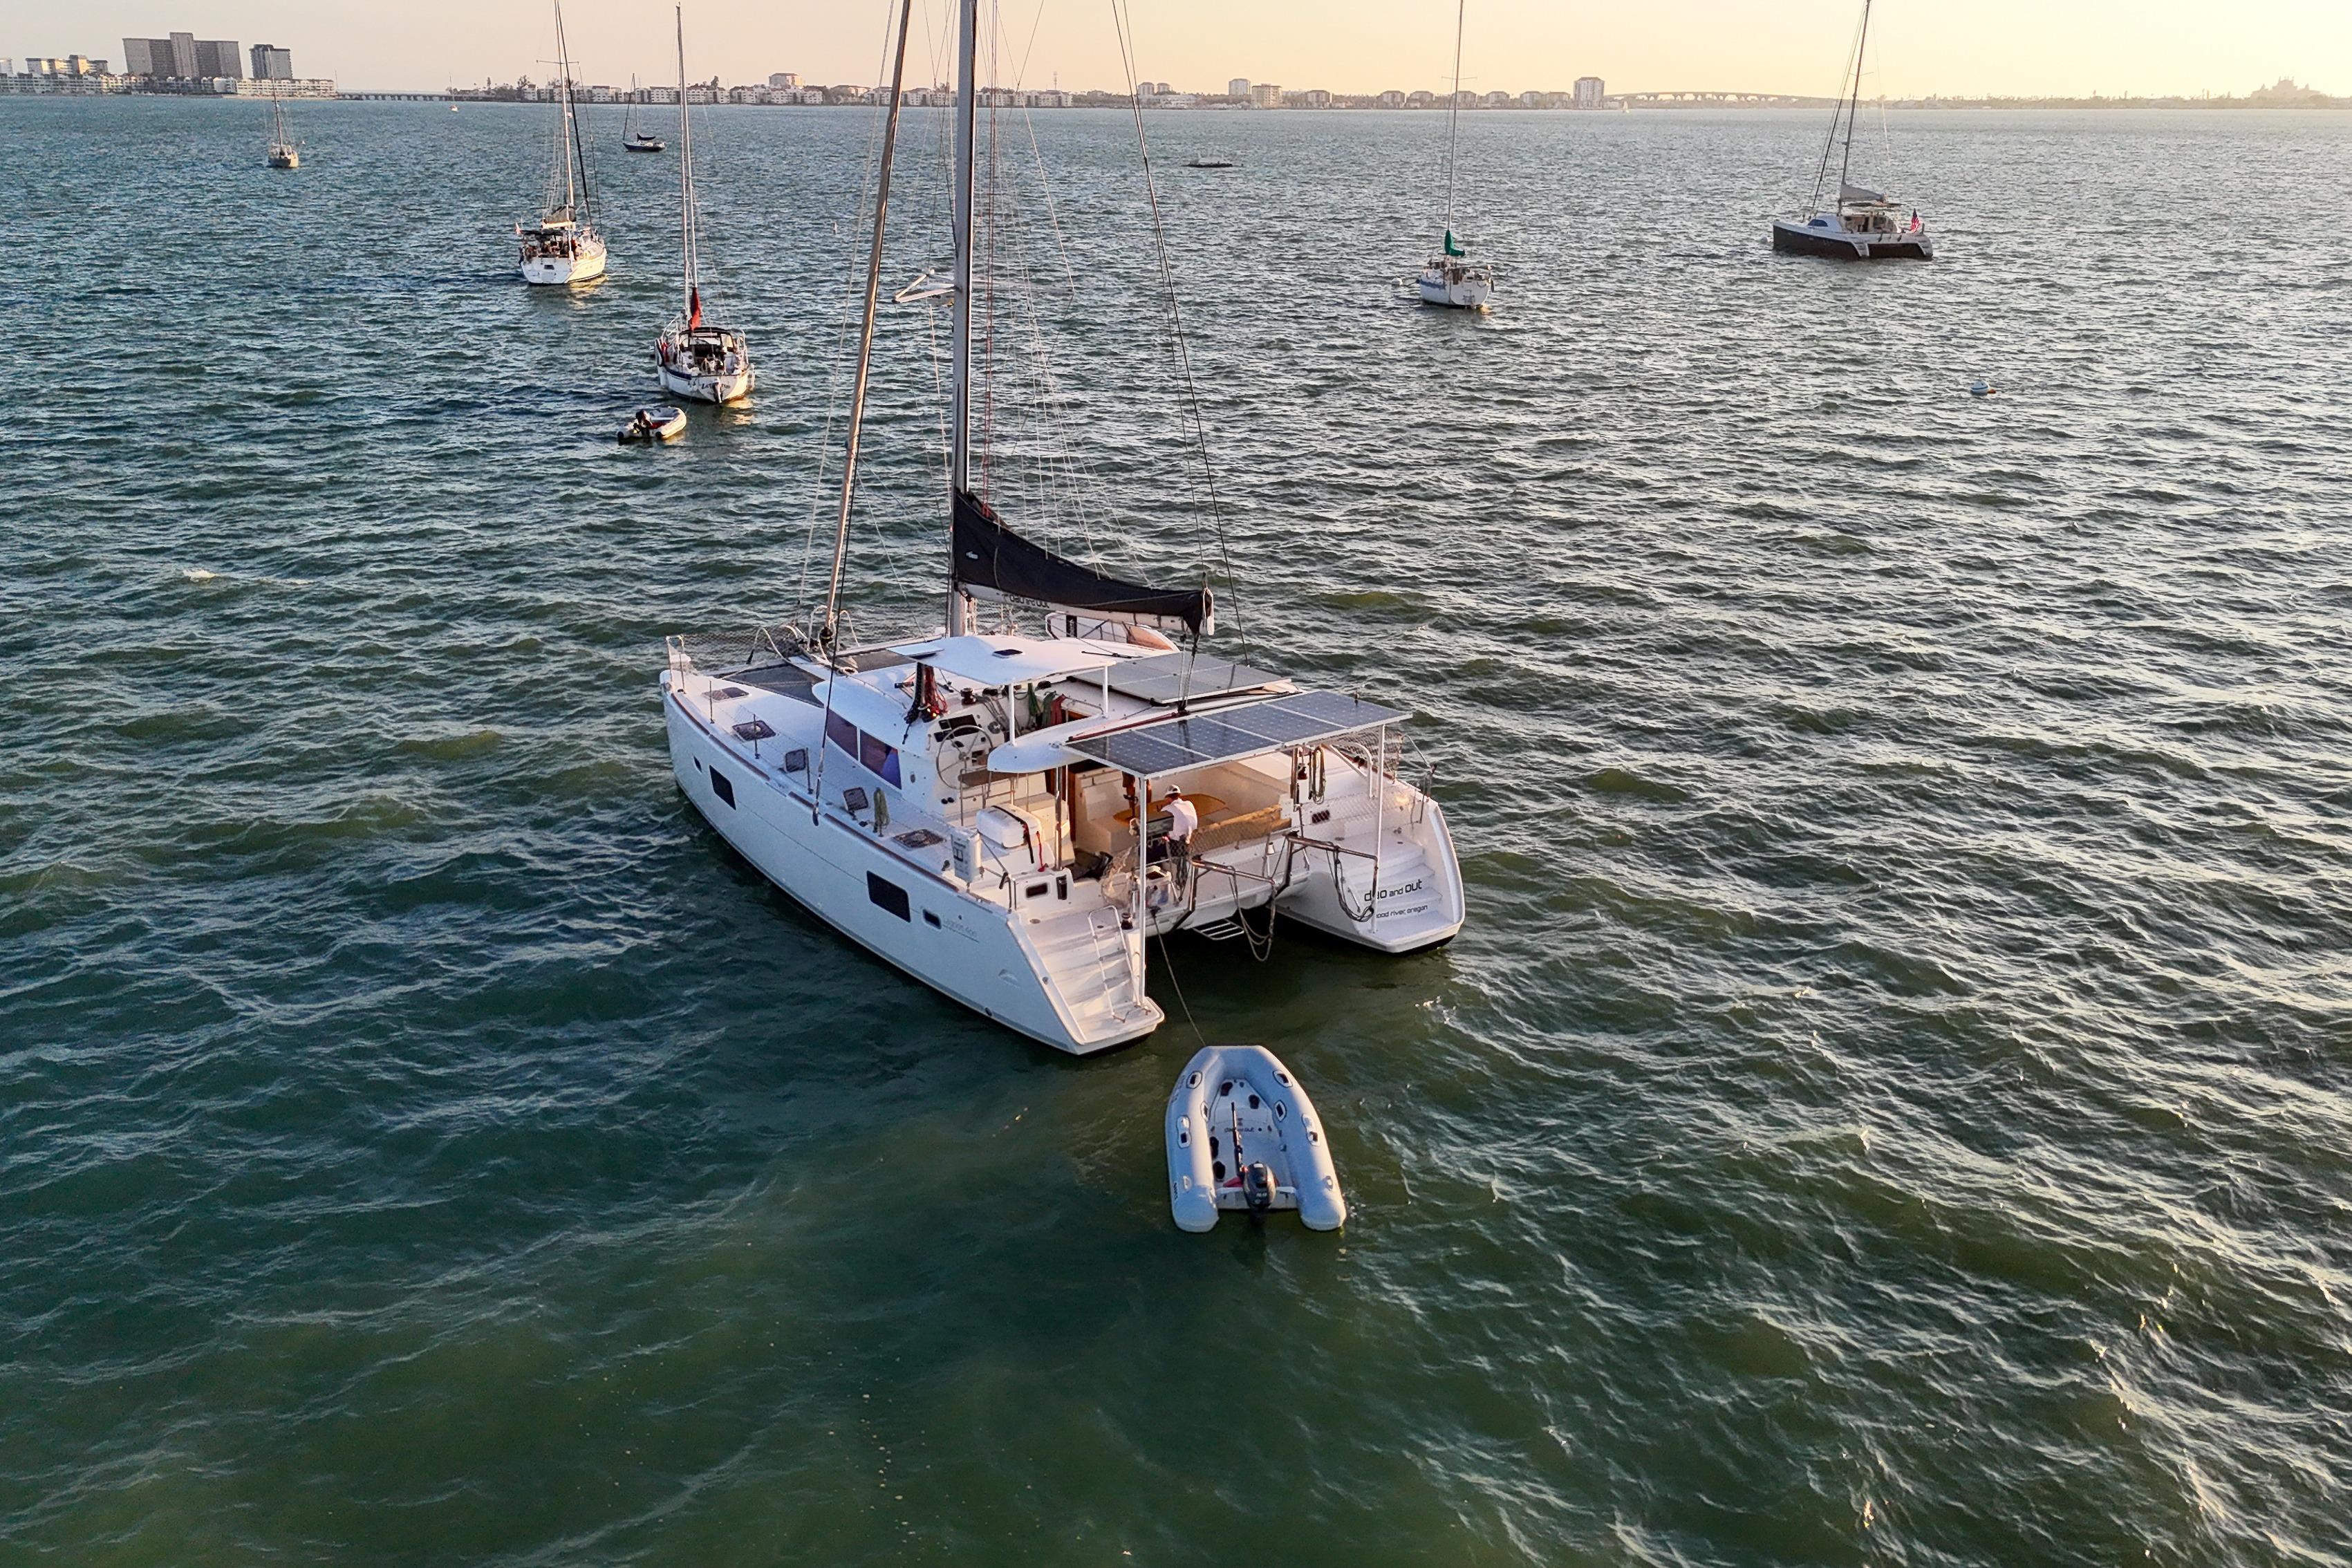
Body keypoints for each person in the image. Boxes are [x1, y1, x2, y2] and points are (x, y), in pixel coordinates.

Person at [1162, 788, 1199, 890]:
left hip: (1177, 845)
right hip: (1193, 840)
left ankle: (1159, 878)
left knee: (1149, 852)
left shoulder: (1167, 809)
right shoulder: (1189, 804)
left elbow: (1163, 828)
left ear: (1169, 798)